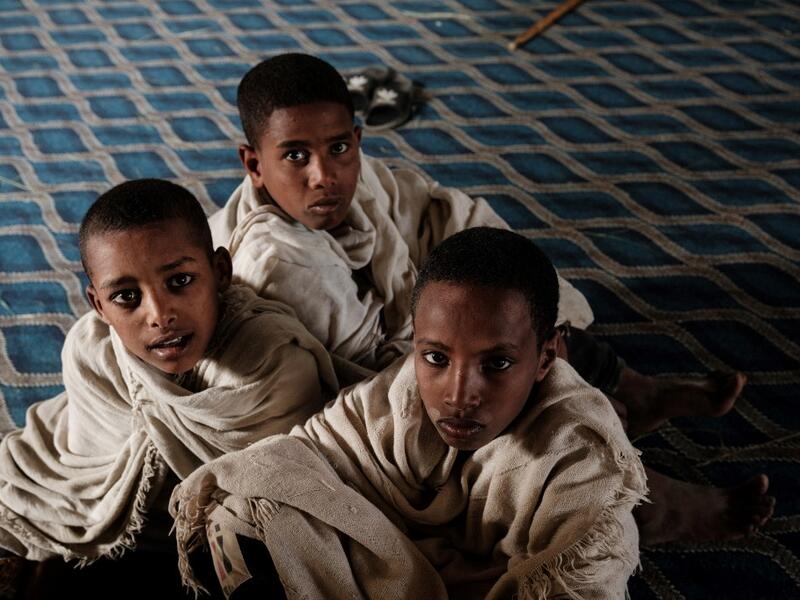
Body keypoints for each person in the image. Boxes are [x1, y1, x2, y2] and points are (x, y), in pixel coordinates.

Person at [209, 52, 773, 545]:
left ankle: (635, 392)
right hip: (376, 401)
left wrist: (495, 314)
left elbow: (438, 215)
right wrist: (466, 346)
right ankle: (652, 505)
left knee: (520, 315)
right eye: (295, 156)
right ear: (254, 165)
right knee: (515, 404)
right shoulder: (277, 261)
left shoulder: (359, 181)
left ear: (357, 138)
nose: (324, 175)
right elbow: (370, 381)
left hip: (418, 342)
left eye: (338, 148)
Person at [171, 227, 649, 599]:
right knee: (239, 511)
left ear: (545, 358)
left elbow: (580, 584)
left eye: (496, 364)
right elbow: (299, 456)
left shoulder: (579, 457)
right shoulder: (393, 398)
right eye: (436, 357)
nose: (458, 395)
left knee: (629, 524)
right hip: (409, 557)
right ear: (415, 344)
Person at [0, 179, 337, 594]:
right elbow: (81, 489)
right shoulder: (94, 356)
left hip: (210, 540)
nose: (159, 315)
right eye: (126, 296)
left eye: (179, 281)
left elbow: (279, 501)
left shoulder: (272, 362)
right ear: (98, 305)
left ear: (220, 272)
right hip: (124, 535)